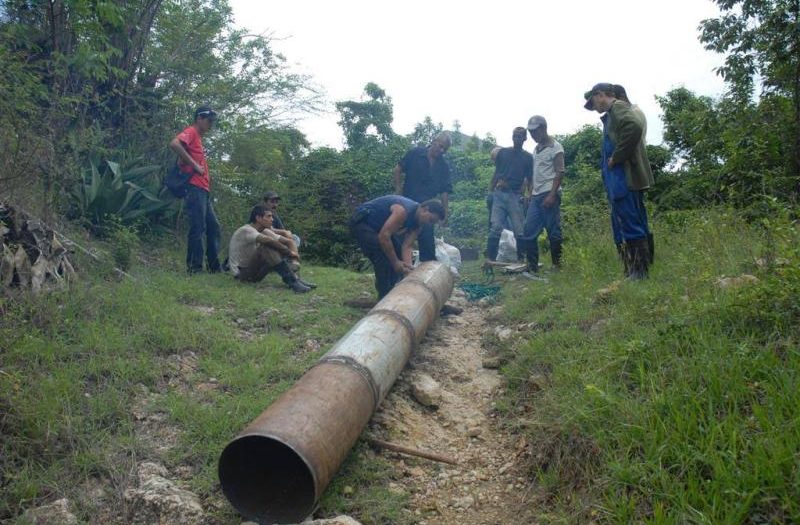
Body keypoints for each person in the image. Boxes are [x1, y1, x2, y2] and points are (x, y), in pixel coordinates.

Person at [584, 83, 654, 279]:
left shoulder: (618, 107)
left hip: (624, 178)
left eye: (593, 102)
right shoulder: (612, 114)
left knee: (630, 222)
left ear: (600, 95)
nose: (594, 107)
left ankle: (639, 272)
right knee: (628, 221)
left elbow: (634, 126)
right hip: (618, 180)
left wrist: (617, 157)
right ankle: (634, 269)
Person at [350, 196, 445, 298]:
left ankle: (394, 289)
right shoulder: (401, 211)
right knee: (383, 255)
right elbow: (384, 237)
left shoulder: (418, 225)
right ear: (425, 209)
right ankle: (384, 295)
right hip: (363, 222)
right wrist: (395, 263)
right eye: (430, 220)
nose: (428, 224)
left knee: (397, 252)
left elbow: (407, 246)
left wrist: (408, 270)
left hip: (379, 229)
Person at [169, 106, 221, 274]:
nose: (210, 124)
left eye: (212, 121)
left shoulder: (198, 137)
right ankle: (194, 268)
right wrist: (194, 165)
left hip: (203, 190)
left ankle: (214, 267)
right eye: (208, 120)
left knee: (213, 227)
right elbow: (174, 144)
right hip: (194, 188)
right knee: (197, 227)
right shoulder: (191, 131)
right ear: (199, 118)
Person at [392, 133, 453, 262]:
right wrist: (398, 191)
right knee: (400, 237)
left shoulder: (444, 166)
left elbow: (444, 192)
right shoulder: (415, 153)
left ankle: (428, 273)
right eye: (440, 146)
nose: (441, 151)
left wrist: (445, 212)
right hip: (407, 205)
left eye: (445, 149)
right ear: (433, 141)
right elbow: (397, 170)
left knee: (427, 241)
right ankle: (398, 271)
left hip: (427, 209)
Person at [227, 205, 315, 293]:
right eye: (269, 216)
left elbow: (289, 242)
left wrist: (294, 261)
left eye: (272, 216)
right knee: (267, 247)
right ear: (258, 218)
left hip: (256, 272)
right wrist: (289, 252)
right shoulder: (246, 230)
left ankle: (296, 279)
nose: (272, 219)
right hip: (242, 274)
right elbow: (268, 241)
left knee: (276, 246)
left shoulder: (264, 230)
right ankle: (292, 282)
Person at [612, 84, 654, 265]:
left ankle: (638, 266)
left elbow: (632, 134)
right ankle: (646, 260)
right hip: (637, 171)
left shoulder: (626, 112)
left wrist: (616, 157)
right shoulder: (637, 111)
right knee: (638, 216)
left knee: (629, 219)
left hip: (629, 170)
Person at [522, 115, 564, 275]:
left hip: (550, 193)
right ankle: (532, 266)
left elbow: (560, 172)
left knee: (553, 231)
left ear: (544, 128)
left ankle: (557, 266)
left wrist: (552, 195)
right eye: (530, 133)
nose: (533, 136)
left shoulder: (556, 147)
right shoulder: (536, 149)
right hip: (536, 195)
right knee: (528, 230)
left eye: (535, 132)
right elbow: (534, 174)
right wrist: (529, 193)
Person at [487, 127, 532, 262]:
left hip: (515, 195)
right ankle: (490, 260)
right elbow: (496, 173)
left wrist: (528, 195)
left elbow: (530, 179)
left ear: (524, 139)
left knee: (519, 229)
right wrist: (490, 191)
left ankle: (521, 259)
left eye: (519, 136)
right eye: (515, 136)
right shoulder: (503, 153)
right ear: (512, 137)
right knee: (495, 227)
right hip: (500, 193)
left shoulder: (528, 158)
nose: (516, 139)